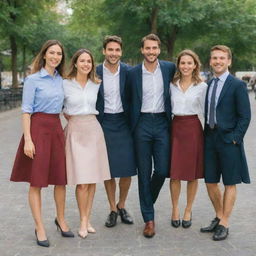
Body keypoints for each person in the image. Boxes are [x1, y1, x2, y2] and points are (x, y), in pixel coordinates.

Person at [10, 40, 74, 247]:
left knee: (60, 180)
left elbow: (66, 106)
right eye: (52, 53)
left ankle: (61, 220)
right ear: (44, 55)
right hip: (37, 129)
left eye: (59, 54)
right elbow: (26, 111)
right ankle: (39, 227)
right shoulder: (33, 80)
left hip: (56, 128)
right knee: (36, 181)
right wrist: (28, 139)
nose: (55, 57)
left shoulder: (62, 80)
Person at [127, 34, 176, 238]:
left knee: (163, 170)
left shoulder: (169, 69)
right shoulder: (132, 73)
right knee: (144, 172)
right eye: (147, 48)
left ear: (159, 50)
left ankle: (147, 201)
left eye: (154, 48)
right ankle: (149, 219)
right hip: (142, 125)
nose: (151, 52)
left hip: (163, 123)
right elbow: (127, 98)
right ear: (142, 50)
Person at [200, 45, 251, 241]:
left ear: (229, 61)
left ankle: (225, 223)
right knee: (211, 182)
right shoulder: (210, 83)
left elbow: (245, 116)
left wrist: (235, 138)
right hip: (210, 139)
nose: (218, 61)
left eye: (222, 58)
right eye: (214, 58)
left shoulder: (237, 85)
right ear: (211, 61)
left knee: (230, 182)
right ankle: (219, 216)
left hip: (229, 141)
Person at [63, 49, 111, 239]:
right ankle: (82, 220)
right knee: (82, 182)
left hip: (93, 130)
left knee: (92, 181)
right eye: (82, 61)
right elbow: (57, 104)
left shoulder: (96, 84)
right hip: (75, 131)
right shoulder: (65, 84)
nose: (85, 64)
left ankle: (87, 219)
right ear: (75, 63)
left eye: (89, 61)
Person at [96, 36, 137, 228]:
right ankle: (113, 209)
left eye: (117, 50)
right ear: (104, 51)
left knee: (127, 169)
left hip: (125, 123)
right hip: (104, 124)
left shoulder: (129, 72)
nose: (113, 53)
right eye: (110, 50)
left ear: (121, 52)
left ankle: (122, 205)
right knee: (109, 170)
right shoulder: (94, 71)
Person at [169, 50, 207, 229]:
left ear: (195, 65)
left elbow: (206, 112)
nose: (185, 66)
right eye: (182, 63)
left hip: (193, 129)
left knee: (192, 175)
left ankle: (188, 210)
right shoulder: (171, 84)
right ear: (178, 65)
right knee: (175, 174)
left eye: (189, 63)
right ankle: (175, 209)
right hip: (175, 128)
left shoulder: (202, 86)